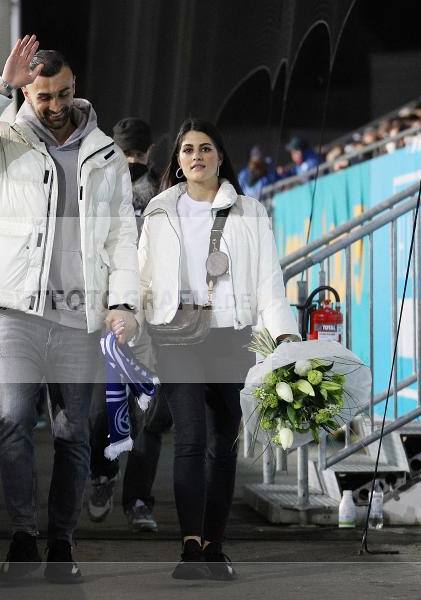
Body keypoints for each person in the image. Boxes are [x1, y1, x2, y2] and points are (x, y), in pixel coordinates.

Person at [0, 35, 139, 584]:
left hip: (79, 315)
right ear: (27, 95)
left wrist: (123, 302)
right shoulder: (1, 141)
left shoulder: (106, 155)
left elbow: (123, 235)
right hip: (18, 314)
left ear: (76, 89)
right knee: (11, 425)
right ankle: (24, 536)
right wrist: (1, 87)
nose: (55, 105)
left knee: (74, 433)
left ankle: (62, 543)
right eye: (42, 96)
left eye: (63, 93)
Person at [138, 119, 299, 580]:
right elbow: (142, 274)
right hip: (175, 335)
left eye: (205, 148)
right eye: (187, 150)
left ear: (220, 156)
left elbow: (270, 280)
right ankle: (190, 547)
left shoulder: (250, 212)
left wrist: (284, 335)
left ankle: (215, 546)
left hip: (232, 335)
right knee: (189, 438)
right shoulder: (158, 211)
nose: (196, 156)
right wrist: (132, 320)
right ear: (177, 161)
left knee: (223, 446)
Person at [86, 116, 168, 533]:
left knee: (118, 406)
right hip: (127, 312)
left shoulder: (114, 188)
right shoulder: (155, 189)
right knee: (137, 410)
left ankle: (116, 485)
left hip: (135, 313)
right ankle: (128, 494)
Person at [111, 117, 159, 217]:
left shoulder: (162, 192)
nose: (133, 160)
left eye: (140, 155)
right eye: (126, 154)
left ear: (150, 151)